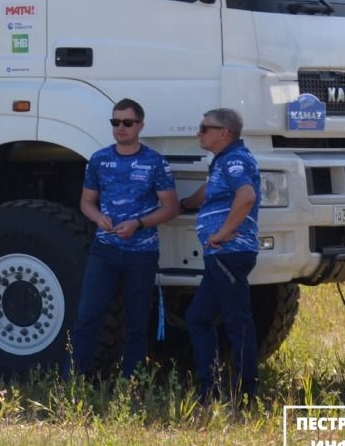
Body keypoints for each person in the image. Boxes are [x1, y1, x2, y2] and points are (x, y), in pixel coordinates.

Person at [70, 98, 180, 378]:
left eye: (127, 123)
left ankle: (132, 382)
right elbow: (86, 201)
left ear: (140, 125)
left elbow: (170, 207)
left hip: (141, 254)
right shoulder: (99, 159)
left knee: (136, 323)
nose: (121, 128)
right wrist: (97, 218)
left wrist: (139, 223)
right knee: (87, 317)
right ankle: (75, 379)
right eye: (115, 122)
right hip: (104, 250)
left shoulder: (155, 163)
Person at [180, 107, 261, 405]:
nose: (199, 133)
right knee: (198, 317)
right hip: (219, 254)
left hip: (229, 252)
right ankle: (209, 390)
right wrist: (185, 203)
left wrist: (224, 232)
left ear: (224, 132)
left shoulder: (236, 160)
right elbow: (211, 191)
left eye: (204, 128)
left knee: (237, 322)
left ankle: (246, 395)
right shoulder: (222, 162)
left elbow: (247, 195)